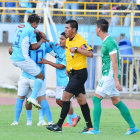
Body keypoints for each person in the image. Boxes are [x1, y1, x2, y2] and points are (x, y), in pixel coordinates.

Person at [83, 19, 139, 135]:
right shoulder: (106, 42)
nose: (95, 30)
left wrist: (116, 80)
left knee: (96, 98)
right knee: (116, 101)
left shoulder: (109, 42)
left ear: (98, 29)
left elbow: (115, 62)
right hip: (110, 74)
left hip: (110, 74)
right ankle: (133, 127)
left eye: (95, 28)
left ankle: (96, 129)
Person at [46, 20, 93, 133]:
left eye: (67, 28)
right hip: (72, 74)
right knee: (81, 100)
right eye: (65, 27)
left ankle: (59, 125)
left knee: (65, 96)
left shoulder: (80, 40)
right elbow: (69, 56)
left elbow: (90, 54)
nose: (65, 30)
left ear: (74, 29)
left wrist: (77, 49)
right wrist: (68, 69)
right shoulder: (67, 41)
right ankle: (90, 127)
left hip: (80, 73)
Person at [11, 31, 53, 126]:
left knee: (21, 99)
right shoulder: (44, 45)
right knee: (41, 99)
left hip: (25, 76)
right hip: (37, 77)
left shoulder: (26, 46)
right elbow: (54, 54)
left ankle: (18, 121)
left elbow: (12, 51)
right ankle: (43, 120)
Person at [39, 32, 80, 127]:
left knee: (64, 100)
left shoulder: (69, 52)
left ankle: (71, 120)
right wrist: (42, 36)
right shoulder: (58, 47)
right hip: (60, 81)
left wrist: (47, 62)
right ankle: (73, 117)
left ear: (67, 40)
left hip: (67, 80)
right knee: (59, 101)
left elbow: (62, 66)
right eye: (60, 39)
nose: (60, 41)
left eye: (62, 39)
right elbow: (49, 43)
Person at [10, 14, 45, 108]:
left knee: (30, 76)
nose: (37, 26)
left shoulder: (20, 26)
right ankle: (33, 97)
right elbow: (34, 47)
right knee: (41, 76)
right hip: (23, 59)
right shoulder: (31, 30)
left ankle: (29, 92)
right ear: (34, 23)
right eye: (37, 24)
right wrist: (42, 39)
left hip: (14, 58)